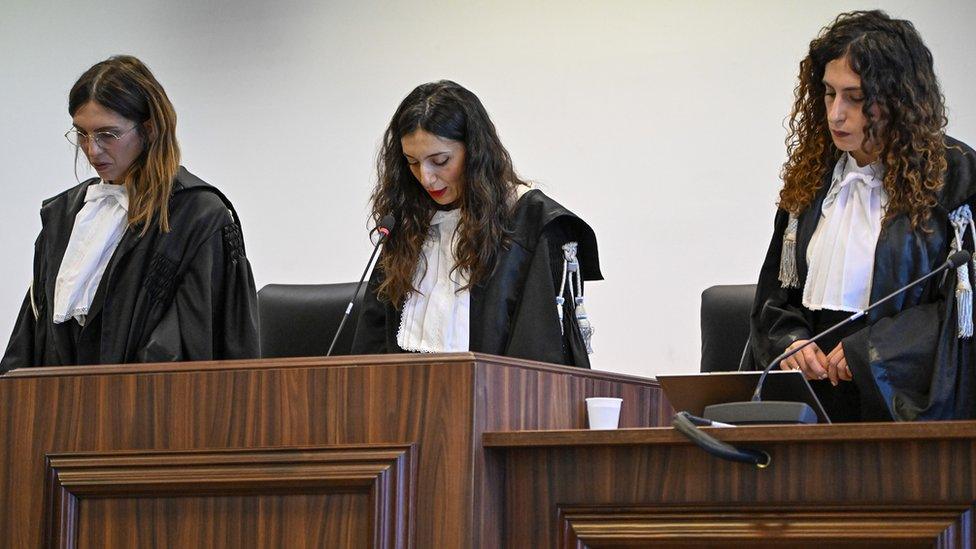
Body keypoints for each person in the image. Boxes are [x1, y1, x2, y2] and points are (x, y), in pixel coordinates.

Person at [742, 10, 976, 421]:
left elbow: (961, 307)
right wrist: (792, 342)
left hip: (899, 396)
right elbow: (775, 295)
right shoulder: (814, 176)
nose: (835, 113)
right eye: (829, 93)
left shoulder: (955, 175)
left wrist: (870, 351)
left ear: (898, 100)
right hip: (811, 399)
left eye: (855, 97)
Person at [1, 55, 259, 371]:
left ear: (148, 130)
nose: (91, 150)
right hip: (64, 412)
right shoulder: (65, 218)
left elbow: (198, 346)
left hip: (150, 411)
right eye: (82, 133)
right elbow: (31, 342)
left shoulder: (198, 217)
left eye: (107, 134)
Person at [351, 80, 601, 367]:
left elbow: (539, 360)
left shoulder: (531, 224)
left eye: (440, 160)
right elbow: (369, 354)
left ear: (475, 152)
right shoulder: (405, 222)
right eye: (412, 162)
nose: (426, 178)